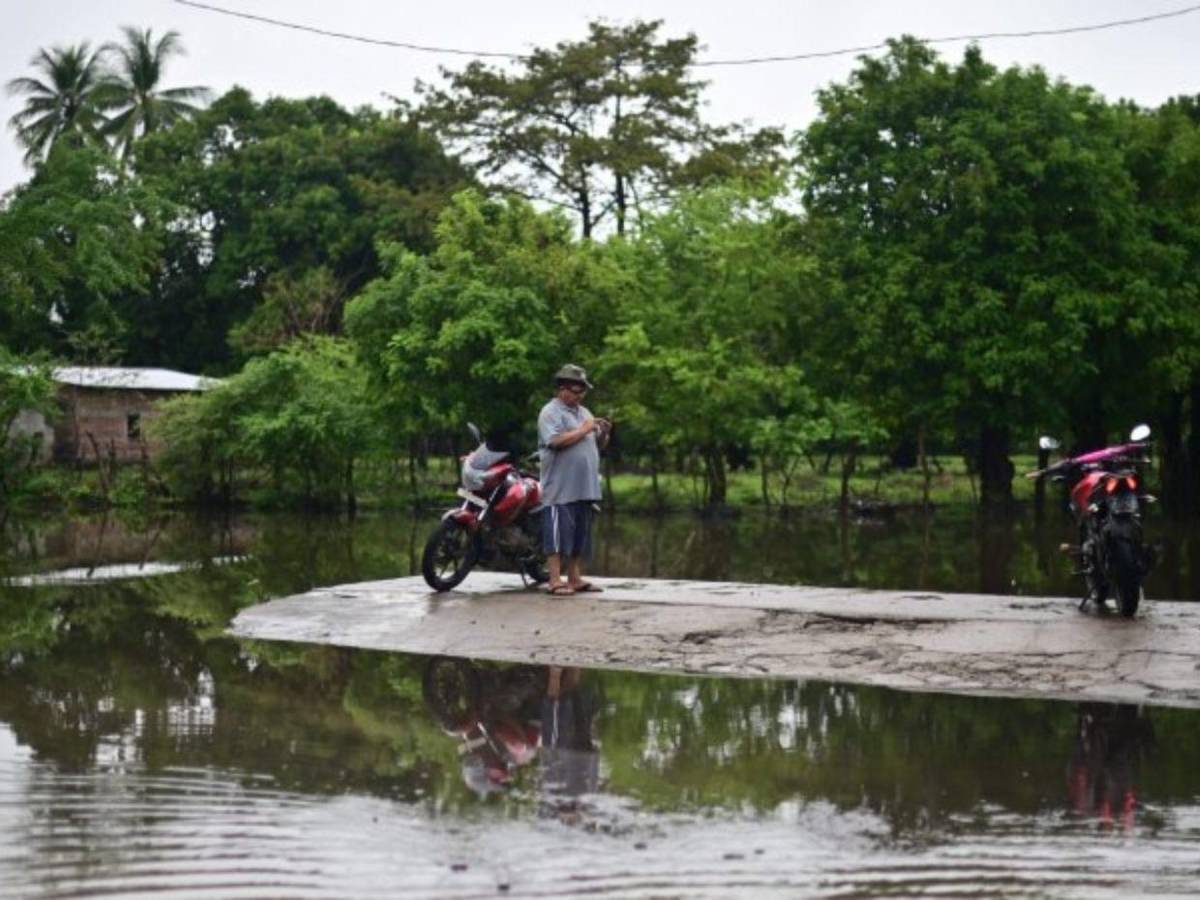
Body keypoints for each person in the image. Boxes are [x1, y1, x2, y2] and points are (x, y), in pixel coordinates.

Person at [537, 364, 610, 595]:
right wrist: (585, 430)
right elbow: (556, 441)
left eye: (583, 392)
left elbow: (596, 444)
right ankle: (555, 580)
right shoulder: (550, 412)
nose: (580, 396)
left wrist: (604, 433)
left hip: (585, 486)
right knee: (558, 533)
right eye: (577, 391)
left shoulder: (585, 413)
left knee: (580, 534)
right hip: (560, 487)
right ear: (563, 389)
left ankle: (575, 578)